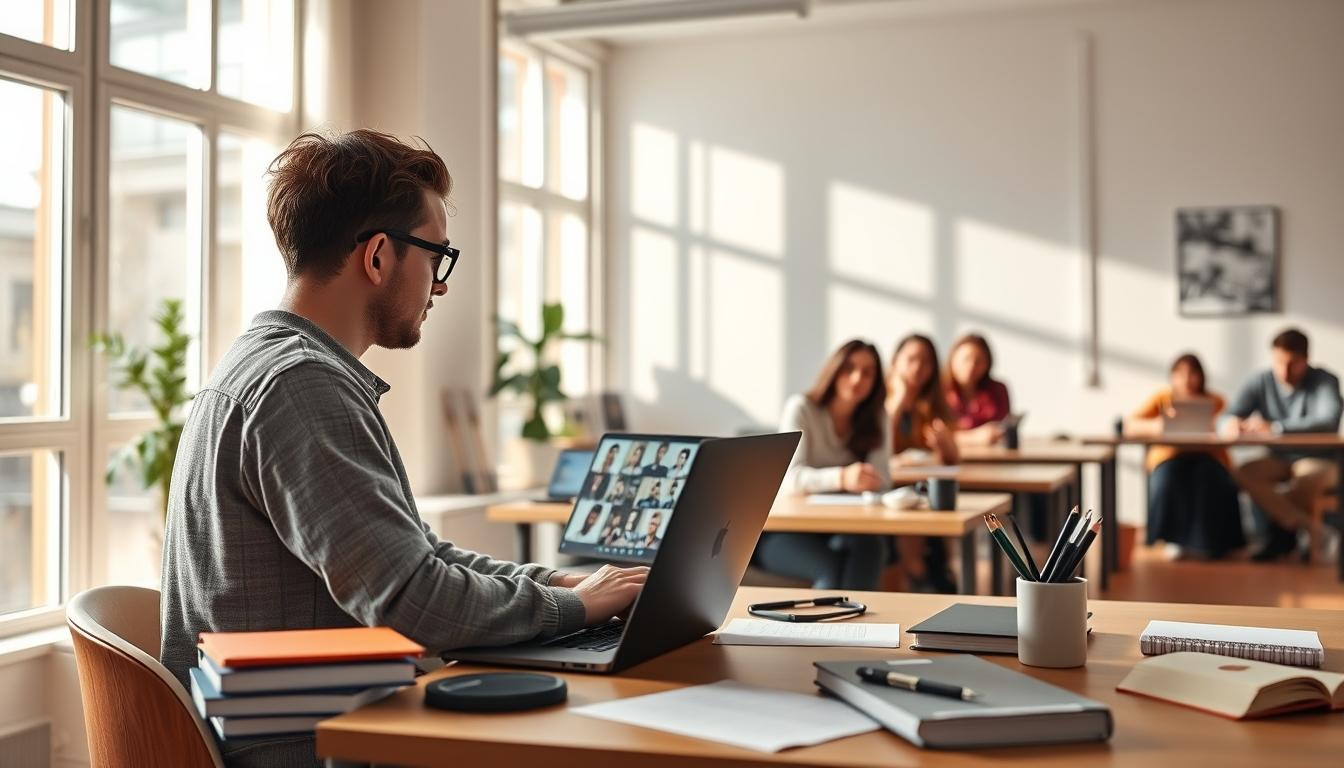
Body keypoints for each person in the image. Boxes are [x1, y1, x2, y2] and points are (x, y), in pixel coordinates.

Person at [158, 130, 647, 767]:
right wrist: (574, 607)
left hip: (308, 728)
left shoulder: (271, 366)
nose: (439, 286)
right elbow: (414, 601)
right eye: (436, 255)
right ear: (380, 257)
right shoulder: (301, 388)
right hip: (309, 745)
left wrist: (557, 581)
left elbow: (415, 559)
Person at [753, 339, 891, 590]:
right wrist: (843, 478)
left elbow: (883, 479)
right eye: (849, 368)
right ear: (834, 369)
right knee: (832, 565)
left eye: (868, 372)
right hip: (785, 532)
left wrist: (870, 480)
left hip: (844, 528)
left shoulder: (878, 418)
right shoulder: (802, 409)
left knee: (872, 546)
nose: (857, 378)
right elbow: (791, 478)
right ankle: (829, 629)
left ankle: (864, 628)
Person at [1222, 328, 1342, 561]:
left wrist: (1276, 427)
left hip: (1319, 458)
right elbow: (1227, 415)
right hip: (1279, 458)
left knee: (1306, 479)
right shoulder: (1261, 380)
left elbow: (1328, 421)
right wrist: (1230, 424)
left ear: (1306, 359)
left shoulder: (1326, 381)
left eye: (1292, 363)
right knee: (1242, 473)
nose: (1284, 371)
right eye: (1278, 362)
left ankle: (1281, 537)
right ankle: (1316, 531)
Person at [1126, 354, 1245, 559]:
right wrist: (1160, 425)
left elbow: (1229, 427)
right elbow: (1131, 425)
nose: (1187, 379)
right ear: (1172, 376)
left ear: (1201, 376)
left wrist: (1218, 428)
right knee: (1168, 478)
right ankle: (1173, 539)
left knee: (1211, 478)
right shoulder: (1163, 399)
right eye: (1180, 374)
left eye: (1192, 374)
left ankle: (1212, 543)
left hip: (1208, 457)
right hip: (1170, 457)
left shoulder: (1216, 401)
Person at [887, 334, 959, 593]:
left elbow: (952, 458)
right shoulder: (879, 398)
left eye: (926, 362)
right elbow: (879, 450)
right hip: (887, 489)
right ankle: (920, 572)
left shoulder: (931, 403)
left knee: (939, 505)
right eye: (911, 359)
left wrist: (945, 443)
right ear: (895, 362)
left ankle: (935, 572)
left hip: (920, 486)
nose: (918, 368)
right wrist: (898, 400)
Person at [944, 333, 1012, 447]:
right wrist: (972, 438)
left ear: (987, 364)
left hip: (991, 459)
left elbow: (1003, 428)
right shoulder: (938, 391)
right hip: (948, 458)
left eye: (979, 361)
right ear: (953, 359)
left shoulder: (997, 391)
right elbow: (927, 436)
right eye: (966, 359)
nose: (971, 366)